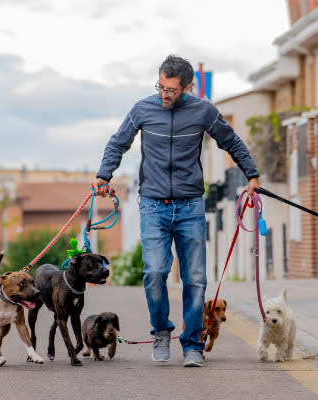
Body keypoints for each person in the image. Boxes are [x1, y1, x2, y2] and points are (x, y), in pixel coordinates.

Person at [92, 55, 260, 367]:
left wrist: (252, 175)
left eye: (171, 89)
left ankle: (193, 344)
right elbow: (118, 143)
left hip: (190, 206)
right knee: (154, 272)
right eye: (161, 86)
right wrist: (104, 175)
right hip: (153, 205)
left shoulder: (203, 111)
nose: (164, 94)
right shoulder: (143, 109)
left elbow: (232, 142)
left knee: (195, 279)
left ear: (186, 88)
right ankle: (160, 333)